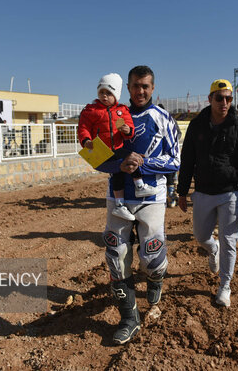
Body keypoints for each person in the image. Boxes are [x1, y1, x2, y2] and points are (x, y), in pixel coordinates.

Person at [94, 65, 180, 345]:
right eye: (135, 86)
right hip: (118, 198)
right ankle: (129, 319)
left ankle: (156, 278)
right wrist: (120, 163)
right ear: (127, 88)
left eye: (145, 86)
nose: (140, 91)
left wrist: (145, 162)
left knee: (152, 262)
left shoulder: (163, 118)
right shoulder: (109, 115)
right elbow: (93, 156)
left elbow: (176, 160)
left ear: (152, 88)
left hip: (152, 197)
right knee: (116, 258)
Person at [177, 79, 238, 307]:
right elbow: (187, 160)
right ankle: (211, 248)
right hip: (203, 192)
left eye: (228, 98)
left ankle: (225, 286)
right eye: (219, 98)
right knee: (201, 236)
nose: (224, 102)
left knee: (229, 241)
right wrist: (182, 191)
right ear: (210, 99)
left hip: (231, 193)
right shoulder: (197, 126)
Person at [78, 73, 159, 221]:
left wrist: (128, 131)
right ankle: (121, 204)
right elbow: (83, 128)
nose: (104, 96)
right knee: (118, 172)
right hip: (102, 150)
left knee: (133, 158)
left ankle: (138, 187)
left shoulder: (121, 110)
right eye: (101, 92)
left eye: (109, 93)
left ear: (116, 94)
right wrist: (86, 141)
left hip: (117, 147)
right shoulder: (91, 111)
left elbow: (129, 126)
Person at [157, 104, 181, 208]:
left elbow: (178, 133)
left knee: (171, 176)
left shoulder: (170, 120)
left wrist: (172, 142)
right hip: (159, 155)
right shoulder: (155, 120)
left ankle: (172, 197)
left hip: (170, 154)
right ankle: (167, 197)